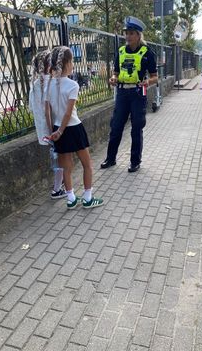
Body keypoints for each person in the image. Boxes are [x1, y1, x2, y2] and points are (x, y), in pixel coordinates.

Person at [46, 46, 103, 209]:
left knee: (66, 167)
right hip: (73, 128)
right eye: (71, 61)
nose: (73, 65)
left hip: (58, 129)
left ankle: (71, 198)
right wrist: (60, 130)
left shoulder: (49, 85)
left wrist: (54, 131)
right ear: (67, 63)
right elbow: (68, 113)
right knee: (87, 164)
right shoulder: (72, 85)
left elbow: (48, 111)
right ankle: (87, 198)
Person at [101, 16, 158, 172]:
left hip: (138, 94)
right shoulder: (120, 51)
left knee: (136, 128)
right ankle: (111, 158)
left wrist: (148, 82)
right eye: (126, 33)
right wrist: (113, 78)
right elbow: (116, 72)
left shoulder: (147, 53)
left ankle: (135, 161)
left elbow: (155, 76)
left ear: (138, 35)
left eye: (131, 33)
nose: (127, 36)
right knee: (116, 126)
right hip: (122, 93)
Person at [29, 50, 66, 200]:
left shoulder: (35, 84)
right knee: (59, 158)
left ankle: (59, 184)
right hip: (54, 128)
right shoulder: (52, 82)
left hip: (43, 131)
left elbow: (32, 108)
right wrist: (54, 131)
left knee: (55, 157)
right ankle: (57, 189)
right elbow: (51, 110)